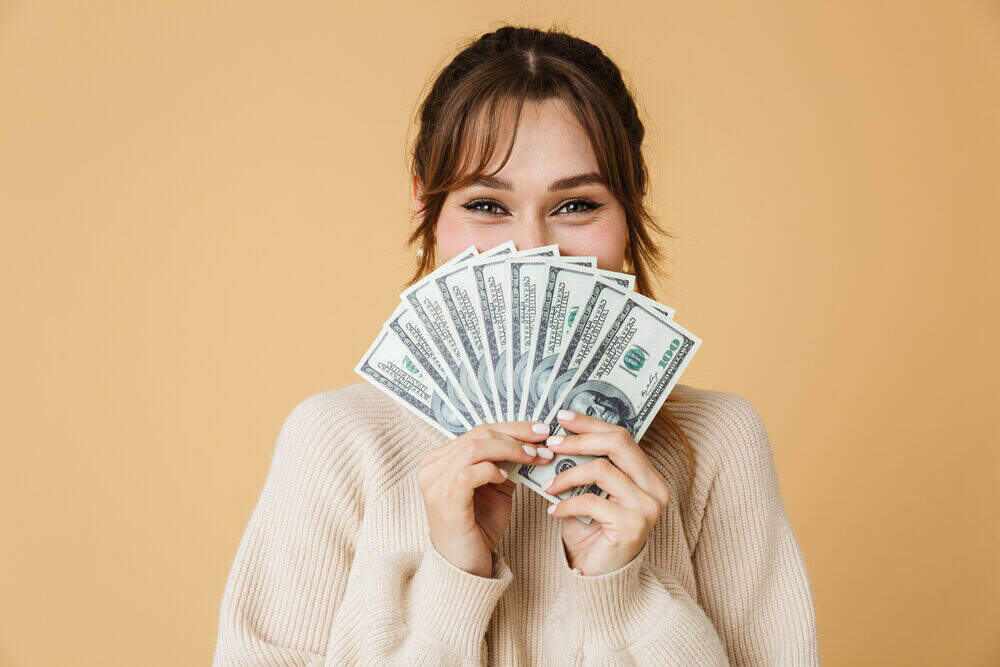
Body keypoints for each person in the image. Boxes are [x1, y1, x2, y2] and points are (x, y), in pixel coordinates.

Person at [213, 25, 819, 665]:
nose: (532, 250)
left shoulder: (718, 444)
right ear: (428, 204)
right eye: (487, 205)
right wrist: (453, 580)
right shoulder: (335, 444)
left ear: (630, 205)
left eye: (578, 204)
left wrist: (625, 592)